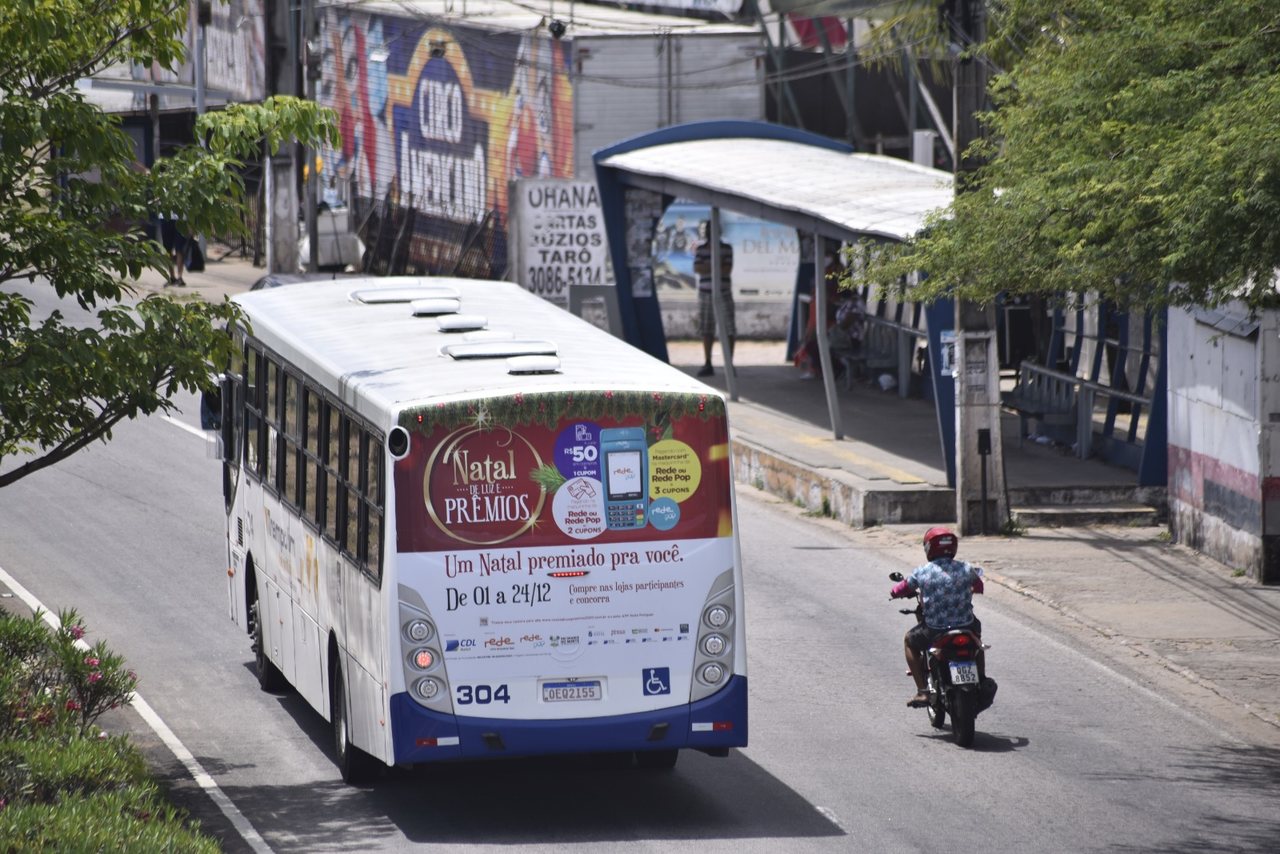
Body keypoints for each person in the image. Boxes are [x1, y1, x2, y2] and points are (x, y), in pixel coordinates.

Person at [890, 526, 985, 707]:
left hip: (935, 629)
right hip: (966, 625)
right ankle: (981, 678)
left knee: (909, 641)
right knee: (977, 643)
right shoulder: (966, 568)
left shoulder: (923, 571)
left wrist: (894, 592)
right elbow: (979, 587)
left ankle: (923, 692)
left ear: (929, 548)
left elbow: (901, 588)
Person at [693, 220, 734, 377]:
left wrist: (709, 266)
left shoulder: (726, 248)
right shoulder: (701, 249)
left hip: (724, 292)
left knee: (729, 328)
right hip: (705, 293)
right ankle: (707, 362)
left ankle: (729, 363)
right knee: (706, 328)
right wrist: (716, 265)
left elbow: (727, 269)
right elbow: (697, 268)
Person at [159, 211, 188, 287]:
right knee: (167, 250)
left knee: (180, 249)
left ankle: (179, 277)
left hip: (181, 218)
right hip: (165, 217)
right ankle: (172, 277)